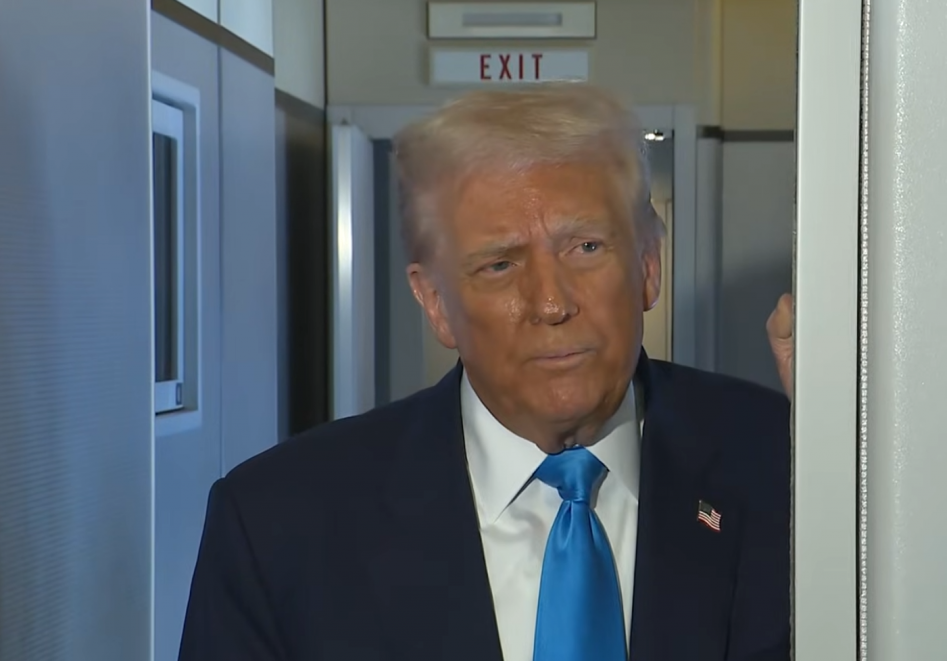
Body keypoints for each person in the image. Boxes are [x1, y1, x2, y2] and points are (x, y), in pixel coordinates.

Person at [177, 83, 793, 661]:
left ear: (649, 265)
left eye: (586, 247)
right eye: (500, 265)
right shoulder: (277, 524)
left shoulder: (787, 464)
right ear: (437, 304)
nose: (551, 303)